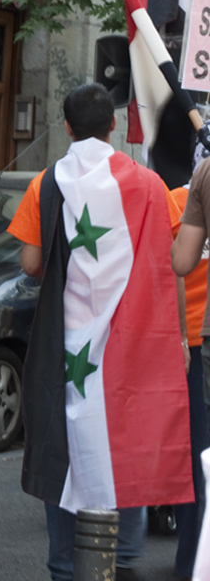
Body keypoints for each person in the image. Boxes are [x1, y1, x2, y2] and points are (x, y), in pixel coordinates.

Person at [9, 83, 191, 581]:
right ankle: (123, 561)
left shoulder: (46, 184)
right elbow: (169, 266)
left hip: (63, 343)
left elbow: (30, 262)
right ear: (112, 125)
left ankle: (66, 565)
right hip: (132, 338)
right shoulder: (151, 186)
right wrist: (178, 339)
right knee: (126, 438)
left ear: (67, 126)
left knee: (61, 442)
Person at [169, 139, 210, 581]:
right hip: (193, 340)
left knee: (198, 454)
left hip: (194, 340)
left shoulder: (189, 188)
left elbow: (178, 263)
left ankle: (193, 561)